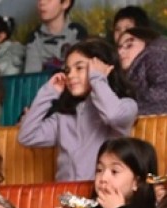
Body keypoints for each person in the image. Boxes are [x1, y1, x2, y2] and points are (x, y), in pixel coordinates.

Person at [17, 39, 138, 183]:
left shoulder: (126, 105)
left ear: (103, 68)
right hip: (66, 197)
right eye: (68, 70)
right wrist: (49, 92)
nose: (70, 75)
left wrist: (97, 79)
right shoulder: (64, 117)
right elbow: (26, 136)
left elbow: (112, 115)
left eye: (79, 68)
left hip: (103, 195)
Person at [23, 0, 90, 73]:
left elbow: (79, 71)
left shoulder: (77, 33)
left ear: (65, 3)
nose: (42, 3)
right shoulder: (34, 38)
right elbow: (33, 78)